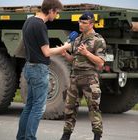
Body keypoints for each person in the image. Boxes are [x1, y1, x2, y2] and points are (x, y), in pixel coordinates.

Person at [16, 0, 71, 140]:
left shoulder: (28, 22)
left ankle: (21, 137)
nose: (56, 16)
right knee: (38, 108)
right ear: (51, 10)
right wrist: (64, 48)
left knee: (29, 106)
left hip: (29, 67)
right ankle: (30, 138)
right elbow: (46, 52)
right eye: (57, 12)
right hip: (39, 70)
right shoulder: (40, 26)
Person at [60, 11, 106, 140]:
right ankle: (66, 135)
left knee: (94, 108)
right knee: (69, 108)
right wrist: (65, 55)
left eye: (84, 23)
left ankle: (97, 136)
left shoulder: (98, 40)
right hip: (75, 78)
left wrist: (87, 53)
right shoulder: (77, 39)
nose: (81, 25)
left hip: (90, 79)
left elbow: (101, 63)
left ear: (91, 24)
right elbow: (74, 60)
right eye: (80, 22)